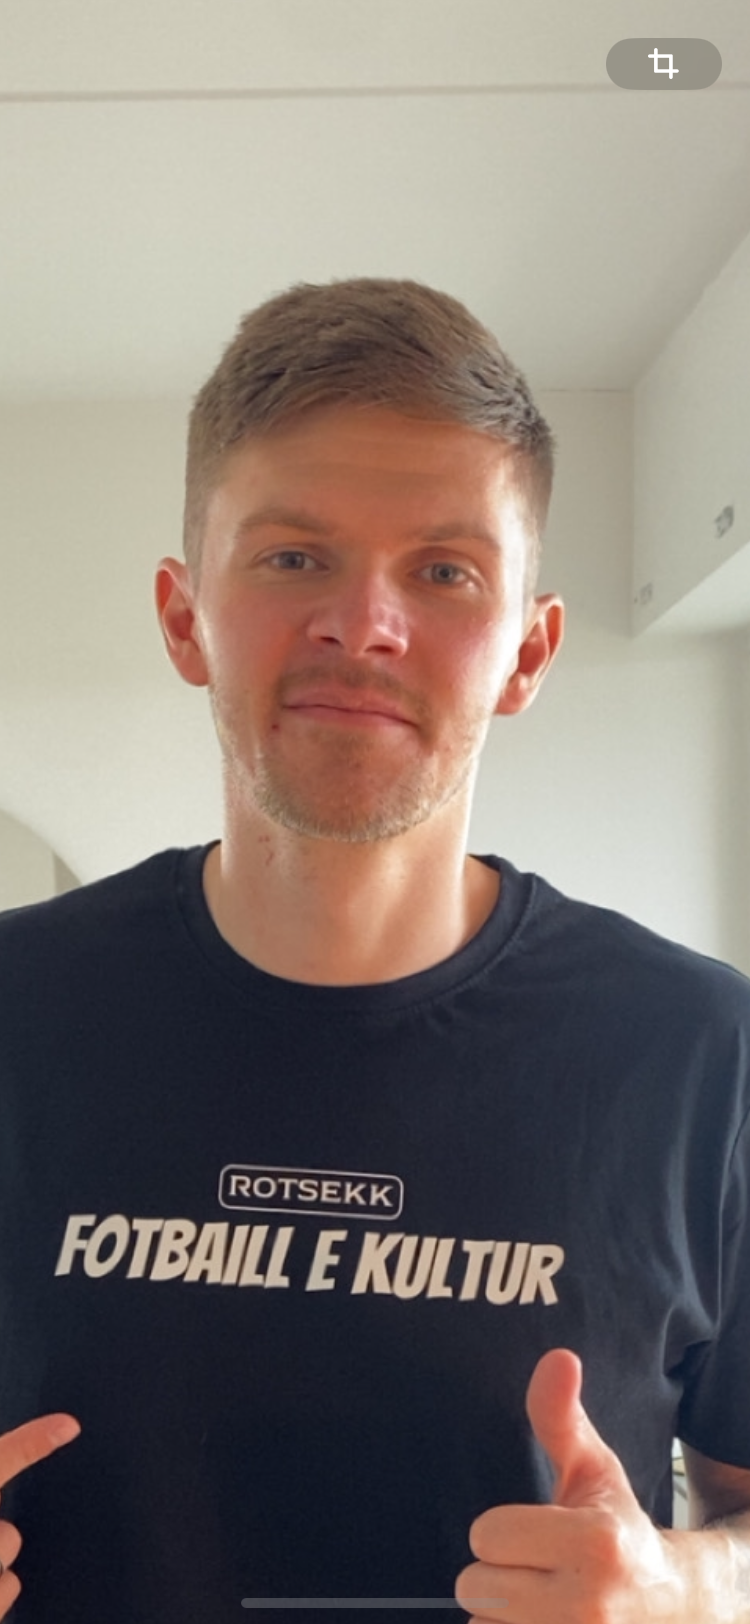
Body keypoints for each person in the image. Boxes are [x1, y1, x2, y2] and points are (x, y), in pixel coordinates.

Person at [1, 277, 749, 1624]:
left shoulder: (707, 1055)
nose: (363, 623)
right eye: (294, 557)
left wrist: (687, 1588)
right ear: (184, 616)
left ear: (528, 651)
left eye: (444, 570)